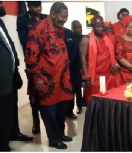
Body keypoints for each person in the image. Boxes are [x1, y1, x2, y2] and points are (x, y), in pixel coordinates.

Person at [24, 2, 73, 149]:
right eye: (62, 17)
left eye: (66, 17)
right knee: (50, 111)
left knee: (62, 108)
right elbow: (31, 56)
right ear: (52, 14)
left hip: (63, 78)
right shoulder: (38, 29)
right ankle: (53, 138)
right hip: (47, 80)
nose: (64, 20)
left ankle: (60, 133)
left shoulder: (59, 29)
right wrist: (37, 77)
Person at [16, 1, 48, 134]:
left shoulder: (46, 18)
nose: (39, 9)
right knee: (34, 94)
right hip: (33, 61)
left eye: (40, 6)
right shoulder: (23, 19)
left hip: (47, 61)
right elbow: (24, 41)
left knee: (48, 91)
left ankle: (49, 121)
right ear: (29, 7)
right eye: (35, 6)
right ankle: (36, 122)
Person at [80, 15, 123, 105]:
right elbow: (83, 58)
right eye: (97, 26)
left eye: (102, 26)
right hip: (94, 77)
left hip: (108, 76)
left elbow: (112, 56)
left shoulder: (108, 38)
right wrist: (86, 77)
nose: (100, 28)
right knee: (94, 102)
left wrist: (115, 65)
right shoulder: (86, 39)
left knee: (108, 102)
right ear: (92, 27)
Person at [0, 1, 26, 150]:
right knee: (3, 113)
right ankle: (3, 145)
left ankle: (14, 133)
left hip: (11, 75)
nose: (2, 5)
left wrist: (14, 64)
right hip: (2, 80)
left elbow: (9, 45)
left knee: (11, 109)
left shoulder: (1, 24)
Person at [66, 20, 84, 115]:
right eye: (76, 28)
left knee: (79, 89)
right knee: (72, 90)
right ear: (72, 29)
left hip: (81, 67)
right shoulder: (70, 37)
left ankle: (80, 106)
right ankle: (70, 110)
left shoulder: (84, 38)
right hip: (71, 67)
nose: (78, 29)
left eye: (80, 27)